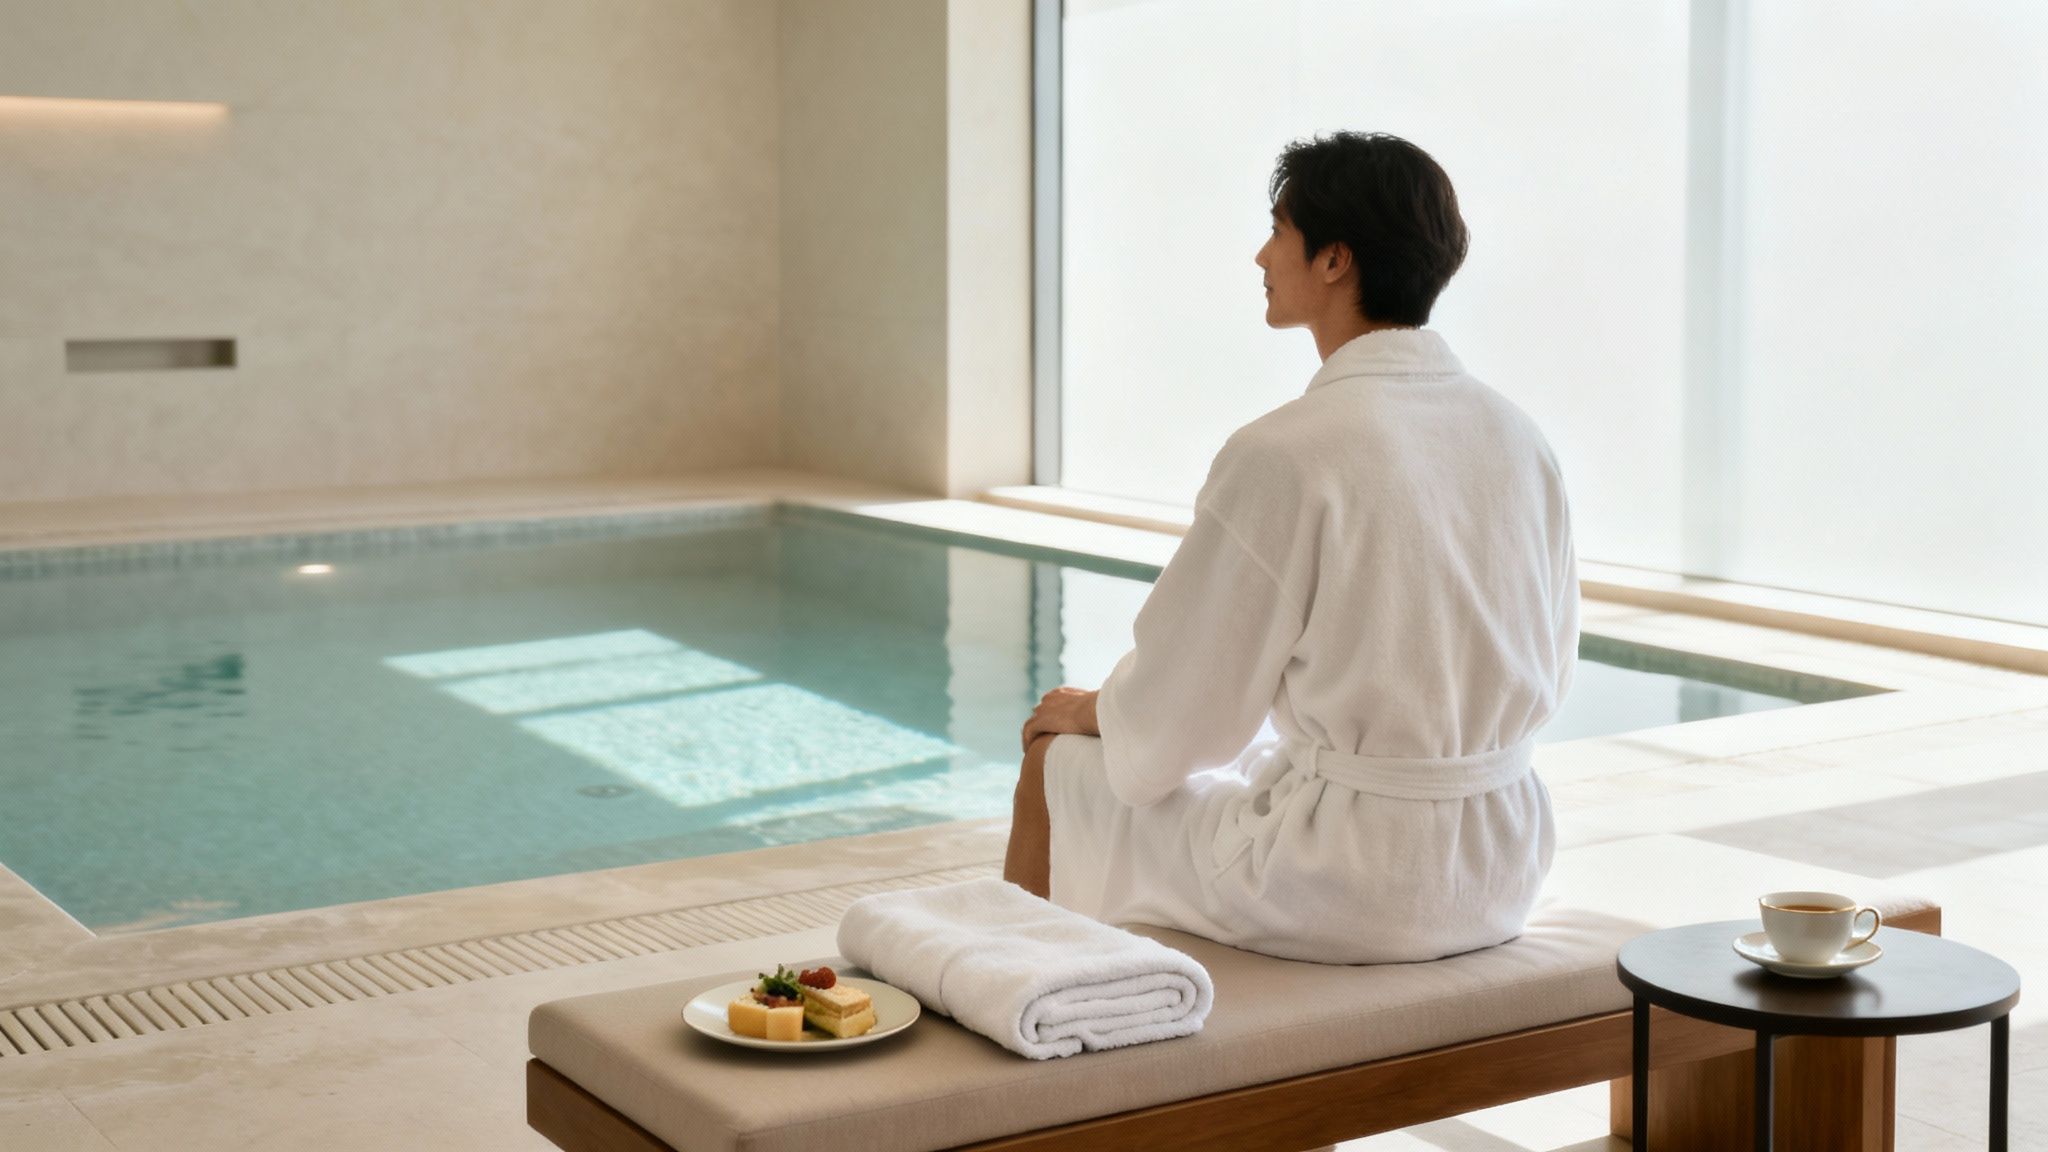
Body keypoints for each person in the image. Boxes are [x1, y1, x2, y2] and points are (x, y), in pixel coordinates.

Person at [1002, 131, 1578, 965]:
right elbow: (1550, 673)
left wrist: (1092, 711)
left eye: (1279, 230)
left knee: (1053, 769)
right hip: (1503, 856)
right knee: (1235, 778)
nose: (1261, 254)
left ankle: (1013, 1014)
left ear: (1335, 259)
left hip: (1348, 881)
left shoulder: (1286, 453)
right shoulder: (1519, 438)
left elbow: (1182, 717)